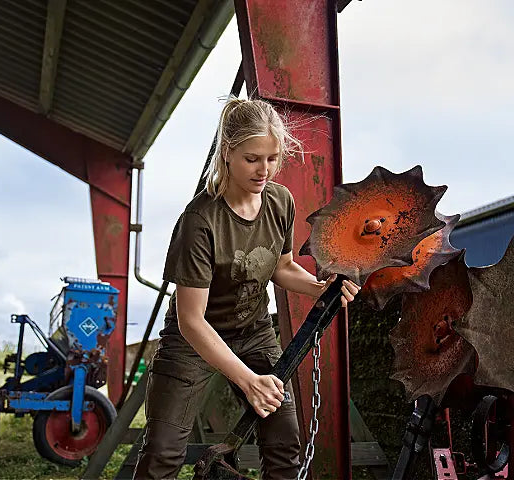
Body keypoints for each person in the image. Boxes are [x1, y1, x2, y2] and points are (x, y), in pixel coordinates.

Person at [133, 98, 360, 480]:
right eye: (252, 159)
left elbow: (283, 268)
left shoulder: (279, 201)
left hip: (253, 333)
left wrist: (321, 286)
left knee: (284, 440)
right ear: (227, 152)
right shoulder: (199, 221)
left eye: (272, 158)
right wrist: (248, 381)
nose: (265, 170)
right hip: (192, 340)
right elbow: (191, 319)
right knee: (163, 452)